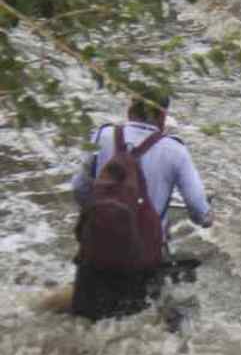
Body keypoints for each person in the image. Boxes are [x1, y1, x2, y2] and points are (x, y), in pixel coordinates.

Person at [70, 87, 213, 321]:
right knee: (142, 328)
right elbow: (199, 210)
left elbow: (79, 188)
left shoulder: (103, 136)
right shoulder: (175, 151)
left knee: (81, 324)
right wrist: (208, 217)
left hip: (94, 253)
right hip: (141, 261)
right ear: (163, 116)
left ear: (130, 109)